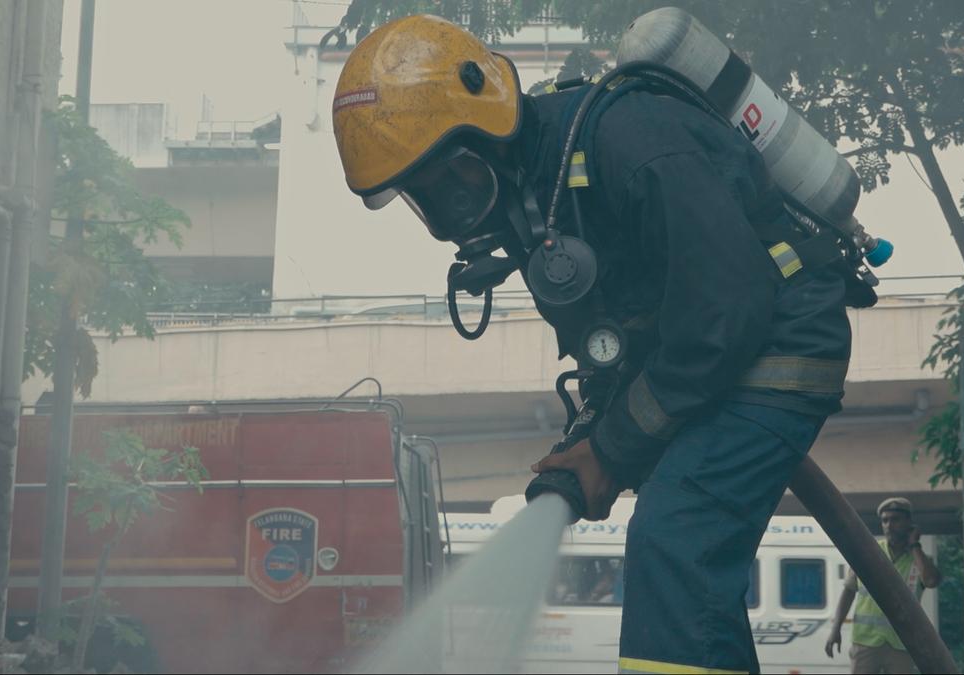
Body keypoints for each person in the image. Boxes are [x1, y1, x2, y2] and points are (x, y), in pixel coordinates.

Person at [332, 15, 859, 674]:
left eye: (455, 179)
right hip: (712, 360)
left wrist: (611, 447)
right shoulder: (541, 202)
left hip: (775, 347)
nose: (453, 208)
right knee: (687, 567)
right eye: (429, 199)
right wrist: (590, 435)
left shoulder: (628, 139)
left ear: (489, 128)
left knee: (674, 535)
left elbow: (726, 307)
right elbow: (614, 345)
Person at [825, 497, 942, 674]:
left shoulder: (919, 560)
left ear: (909, 523)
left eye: (895, 520)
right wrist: (836, 629)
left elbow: (931, 581)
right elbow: (849, 591)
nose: (888, 525)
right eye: (885, 520)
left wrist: (915, 545)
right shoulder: (868, 552)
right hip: (866, 641)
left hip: (902, 643)